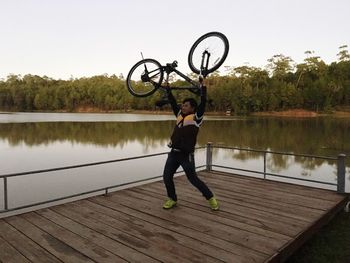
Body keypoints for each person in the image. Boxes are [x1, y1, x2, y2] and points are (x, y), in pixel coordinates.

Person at [161, 81, 219, 210]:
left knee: (193, 179)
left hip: (186, 155)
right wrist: (168, 90)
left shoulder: (197, 117)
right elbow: (172, 102)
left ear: (192, 108)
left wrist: (203, 87)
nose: (183, 107)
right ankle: (172, 199)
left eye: (186, 105)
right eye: (183, 105)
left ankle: (210, 198)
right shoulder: (179, 115)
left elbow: (203, 102)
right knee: (166, 177)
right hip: (173, 153)